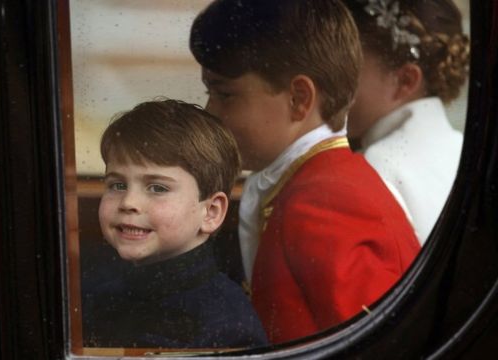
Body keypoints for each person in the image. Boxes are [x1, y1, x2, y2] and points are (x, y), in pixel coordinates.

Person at [189, 0, 421, 343]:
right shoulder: (309, 184)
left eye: (225, 94)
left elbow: (373, 346)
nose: (210, 112)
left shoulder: (326, 203)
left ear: (299, 98)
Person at [82, 99, 268, 349]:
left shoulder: (225, 323)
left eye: (157, 188)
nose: (129, 202)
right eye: (117, 185)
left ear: (210, 212)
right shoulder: (98, 297)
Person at [343, 0, 470, 244]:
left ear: (405, 81)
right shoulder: (462, 148)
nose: (333, 85)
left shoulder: (373, 170)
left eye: (349, 68)